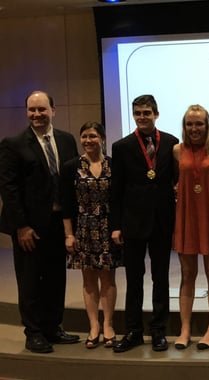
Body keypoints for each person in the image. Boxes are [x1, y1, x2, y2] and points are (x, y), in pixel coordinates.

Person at [0, 90, 80, 353]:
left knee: (56, 278)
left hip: (59, 223)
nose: (37, 114)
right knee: (31, 279)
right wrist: (21, 226)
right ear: (26, 112)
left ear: (53, 110)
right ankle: (33, 333)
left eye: (42, 109)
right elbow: (8, 189)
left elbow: (71, 184)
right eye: (32, 110)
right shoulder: (13, 143)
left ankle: (53, 327)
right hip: (29, 227)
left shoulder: (67, 140)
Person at [110, 94, 179, 353]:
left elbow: (175, 182)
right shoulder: (122, 146)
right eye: (138, 113)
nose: (142, 117)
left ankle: (159, 331)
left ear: (156, 114)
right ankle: (133, 331)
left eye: (147, 113)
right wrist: (116, 225)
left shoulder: (171, 143)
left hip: (162, 221)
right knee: (134, 278)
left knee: (161, 278)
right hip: (133, 223)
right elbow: (116, 190)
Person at [60, 121, 122, 349]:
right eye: (84, 136)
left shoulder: (114, 166)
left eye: (93, 136)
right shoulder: (70, 167)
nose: (88, 140)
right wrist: (68, 234)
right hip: (83, 228)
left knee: (107, 279)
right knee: (88, 280)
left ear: (102, 138)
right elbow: (66, 204)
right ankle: (93, 325)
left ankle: (108, 325)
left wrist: (119, 226)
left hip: (107, 228)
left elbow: (119, 201)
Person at [172, 105, 209, 350]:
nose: (194, 129)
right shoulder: (176, 150)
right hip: (187, 216)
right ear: (184, 126)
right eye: (190, 124)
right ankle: (184, 330)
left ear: (207, 126)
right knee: (187, 275)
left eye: (199, 124)